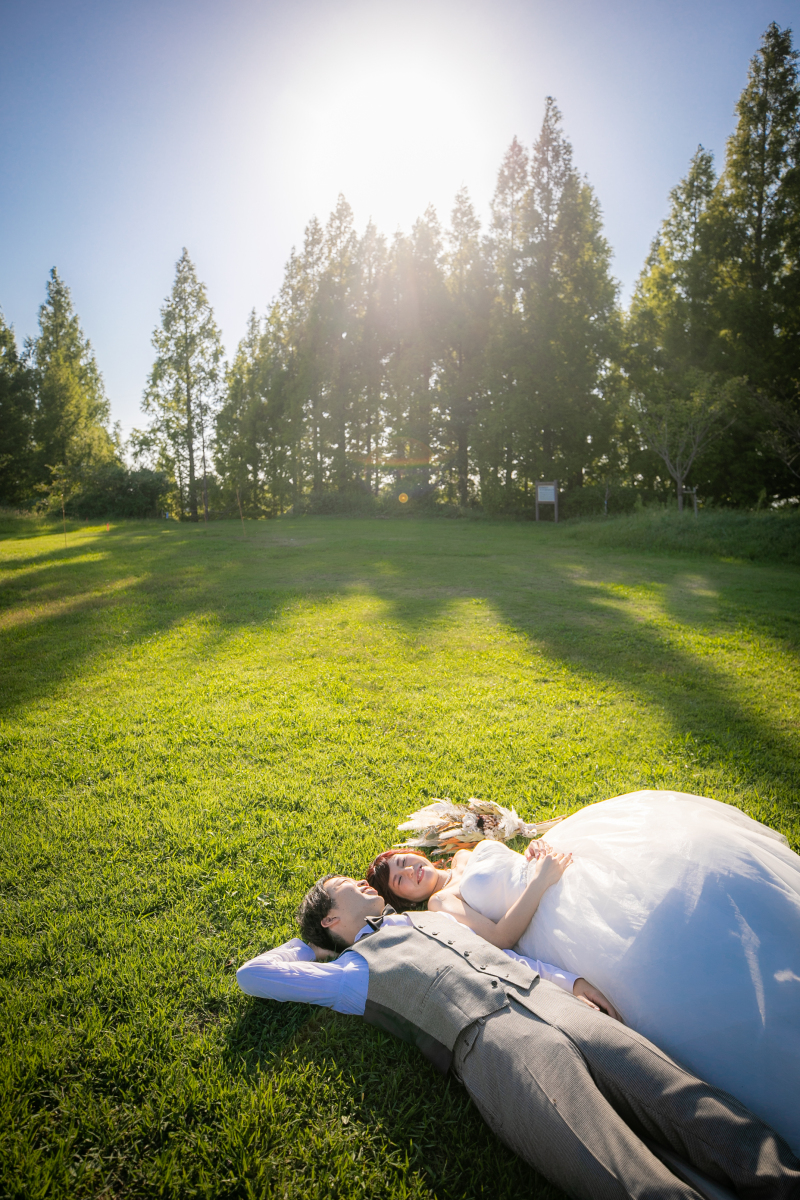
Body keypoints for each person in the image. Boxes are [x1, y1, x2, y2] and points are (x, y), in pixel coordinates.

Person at [237, 872, 800, 1200]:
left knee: (672, 1090)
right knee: (607, 1161)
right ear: (332, 920)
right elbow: (255, 976)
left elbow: (502, 952)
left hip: (546, 998)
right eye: (341, 888)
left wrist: (571, 981)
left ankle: (781, 1177)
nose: (357, 880)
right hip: (493, 1044)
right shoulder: (350, 974)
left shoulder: (429, 917)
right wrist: (315, 944)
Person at [365, 789, 800, 1155]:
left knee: (676, 873)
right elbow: (499, 937)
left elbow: (509, 867)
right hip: (554, 917)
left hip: (568, 875)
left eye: (403, 862)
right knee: (662, 962)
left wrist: (536, 855)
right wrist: (540, 880)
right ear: (405, 899)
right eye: (401, 880)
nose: (410, 871)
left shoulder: (466, 855)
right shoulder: (443, 904)